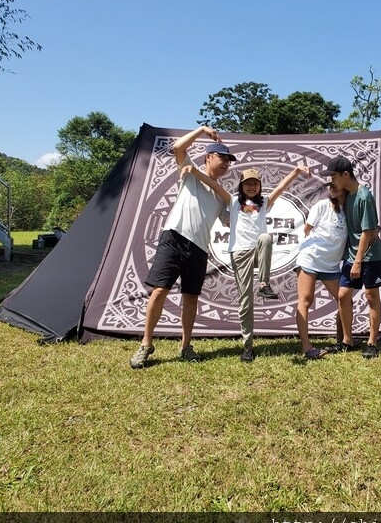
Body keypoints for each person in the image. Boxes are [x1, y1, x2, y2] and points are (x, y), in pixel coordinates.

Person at [130, 126, 235, 369]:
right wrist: (202, 129)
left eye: (229, 161)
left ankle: (186, 346)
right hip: (174, 238)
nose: (226, 164)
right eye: (222, 158)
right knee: (159, 291)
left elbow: (229, 220)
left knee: (191, 298)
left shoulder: (220, 195)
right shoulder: (189, 173)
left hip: (199, 248)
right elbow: (177, 147)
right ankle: (146, 344)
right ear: (208, 157)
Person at [225, 165, 310, 362]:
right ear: (241, 185)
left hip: (258, 251)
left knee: (265, 237)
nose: (252, 187)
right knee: (245, 301)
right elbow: (214, 186)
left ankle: (264, 284)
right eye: (248, 183)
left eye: (255, 183)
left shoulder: (264, 203)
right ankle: (248, 346)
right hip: (239, 253)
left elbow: (281, 187)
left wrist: (296, 172)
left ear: (260, 186)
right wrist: (194, 172)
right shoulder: (232, 201)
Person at [319, 155, 381, 359]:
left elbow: (367, 232)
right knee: (343, 295)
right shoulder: (346, 194)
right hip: (351, 255)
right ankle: (347, 341)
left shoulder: (364, 196)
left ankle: (372, 343)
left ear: (346, 174)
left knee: (371, 296)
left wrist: (358, 262)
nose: (332, 182)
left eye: (334, 177)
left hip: (370, 256)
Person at [293, 182, 348, 360]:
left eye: (336, 184)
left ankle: (342, 341)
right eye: (330, 185)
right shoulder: (322, 205)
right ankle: (306, 347)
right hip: (310, 258)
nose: (332, 187)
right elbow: (307, 229)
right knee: (306, 300)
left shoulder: (350, 210)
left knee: (343, 300)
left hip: (331, 265)